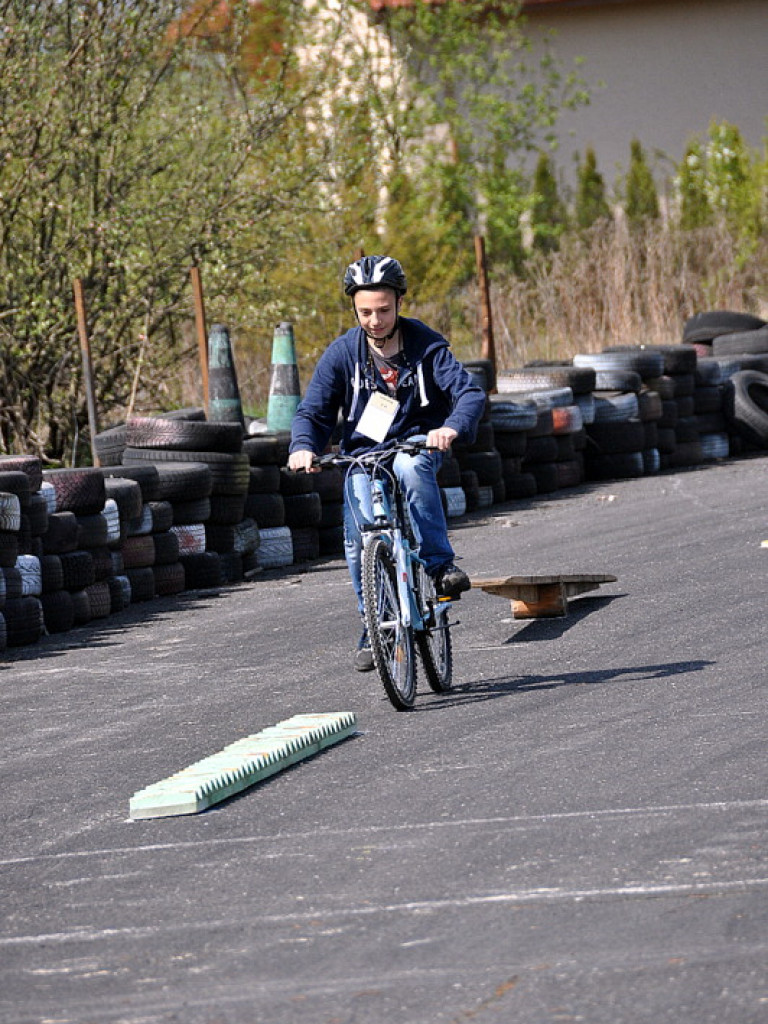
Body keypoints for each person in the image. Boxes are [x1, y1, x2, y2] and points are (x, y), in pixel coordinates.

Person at [288, 254, 486, 671]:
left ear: (399, 302)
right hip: (364, 453)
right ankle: (375, 622)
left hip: (416, 443)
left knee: (413, 472)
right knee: (360, 535)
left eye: (382, 310)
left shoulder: (426, 345)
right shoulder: (342, 353)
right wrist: (302, 446)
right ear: (354, 309)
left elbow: (468, 394)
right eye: (365, 312)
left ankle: (439, 567)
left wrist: (449, 428)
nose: (375, 320)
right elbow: (313, 411)